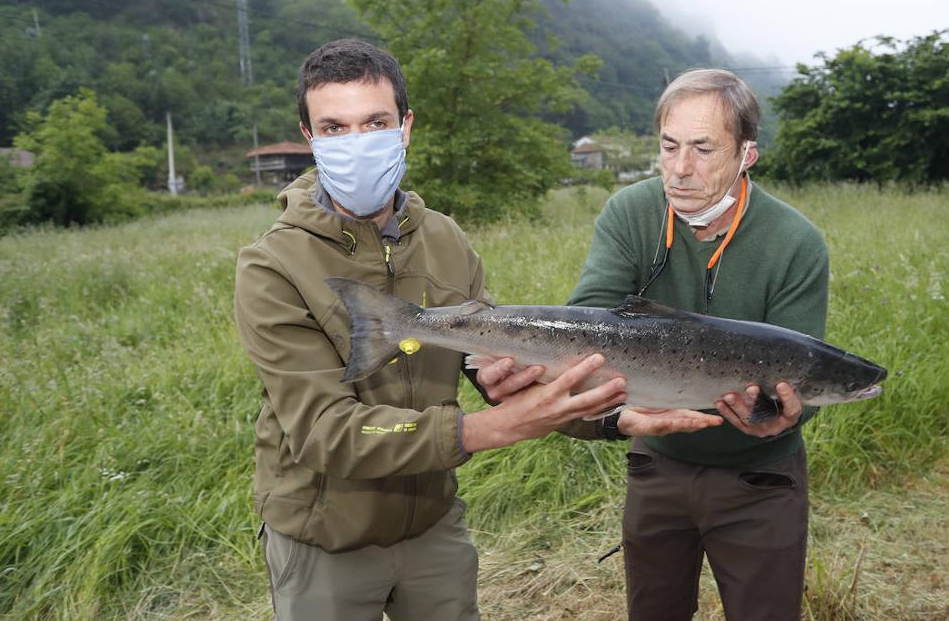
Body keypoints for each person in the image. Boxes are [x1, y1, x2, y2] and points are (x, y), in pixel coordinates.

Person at [233, 38, 716, 621]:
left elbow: (500, 373)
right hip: (323, 539)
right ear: (309, 138)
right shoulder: (272, 265)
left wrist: (608, 416)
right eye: (334, 128)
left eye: (376, 122)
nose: (357, 143)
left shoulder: (444, 238)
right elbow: (324, 433)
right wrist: (489, 428)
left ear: (405, 127)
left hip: (433, 527)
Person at [499, 68, 828, 620]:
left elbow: (806, 376)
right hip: (657, 462)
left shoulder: (795, 242)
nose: (680, 169)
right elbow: (588, 326)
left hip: (760, 474)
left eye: (703, 149)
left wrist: (792, 416)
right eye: (669, 146)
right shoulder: (631, 212)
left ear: (747, 153)